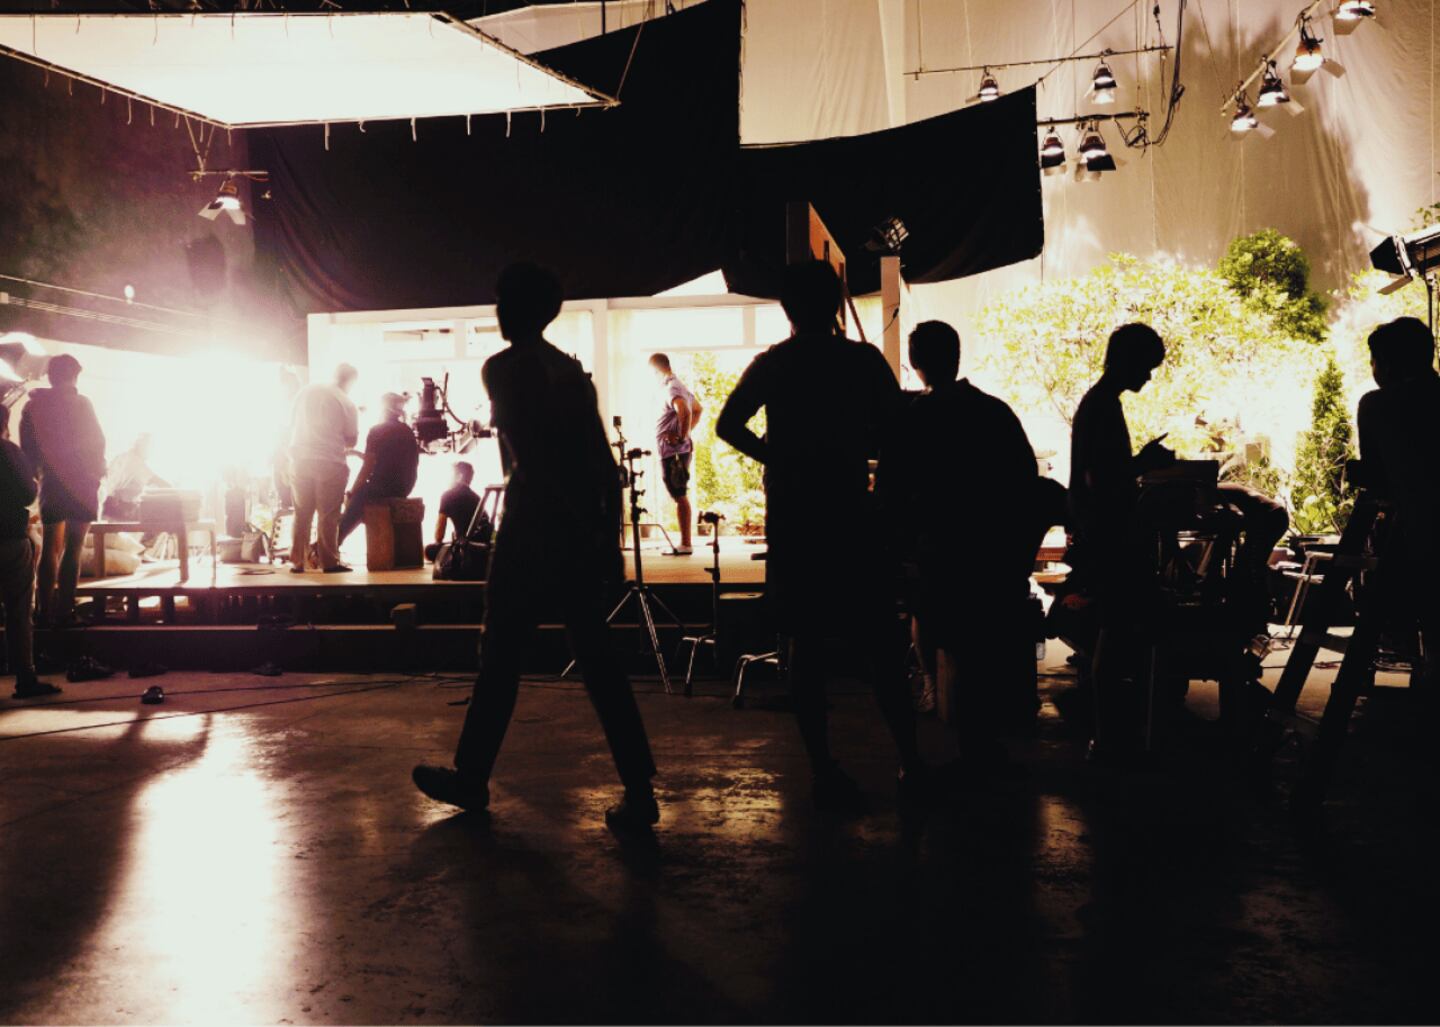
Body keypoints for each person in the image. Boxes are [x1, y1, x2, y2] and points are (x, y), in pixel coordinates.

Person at [412, 263, 659, 832]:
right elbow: (601, 463)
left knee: (500, 656)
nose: (498, 311)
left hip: (531, 528)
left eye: (504, 302)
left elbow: (533, 459)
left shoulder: (503, 369)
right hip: (576, 531)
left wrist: (546, 519)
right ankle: (639, 789)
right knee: (598, 662)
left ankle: (472, 778)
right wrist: (607, 538)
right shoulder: (570, 372)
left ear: (521, 308)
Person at [716, 260, 928, 813]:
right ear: (835, 304)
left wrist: (779, 457)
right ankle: (911, 760)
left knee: (805, 645)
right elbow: (898, 433)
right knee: (880, 642)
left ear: (787, 308)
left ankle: (822, 768)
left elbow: (728, 425)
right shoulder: (861, 360)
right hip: (851, 512)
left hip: (796, 517)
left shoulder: (775, 363)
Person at [891, 321, 1039, 760]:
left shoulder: (913, 418)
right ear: (957, 356)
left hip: (936, 545)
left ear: (915, 363)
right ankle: (980, 737)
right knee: (980, 642)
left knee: (931, 619)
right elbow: (1025, 477)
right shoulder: (994, 411)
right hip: (988, 545)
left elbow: (895, 487)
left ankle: (936, 694)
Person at [1068, 323, 1175, 760]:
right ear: (1126, 361)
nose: (1147, 376)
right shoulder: (1102, 407)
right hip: (1108, 535)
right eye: (1146, 367)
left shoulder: (1099, 402)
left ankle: (1110, 733)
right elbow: (1101, 479)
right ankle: (1108, 737)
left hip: (1101, 531)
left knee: (1114, 632)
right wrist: (1144, 463)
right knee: (1114, 634)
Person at [1356, 316, 1440, 696]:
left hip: (1419, 531)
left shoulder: (1378, 405)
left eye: (1374, 361)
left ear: (1387, 365)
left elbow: (1375, 477)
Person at [19, 353, 105, 626]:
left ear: (51, 376)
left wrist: (38, 475)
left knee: (49, 549)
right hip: (82, 484)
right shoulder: (82, 404)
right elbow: (97, 443)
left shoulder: (32, 407)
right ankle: (65, 611)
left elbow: (27, 449)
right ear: (75, 374)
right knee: (73, 548)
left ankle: (43, 611)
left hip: (51, 484)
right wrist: (95, 473)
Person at [0, 406, 56, 698]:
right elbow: (28, 493)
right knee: (19, 611)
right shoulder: (10, 451)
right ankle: (25, 677)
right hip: (10, 537)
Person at [288, 363, 359, 574]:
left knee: (302, 513)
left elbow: (290, 424)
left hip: (300, 459)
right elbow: (351, 440)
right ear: (351, 380)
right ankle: (329, 562)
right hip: (330, 463)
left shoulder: (305, 391)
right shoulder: (346, 402)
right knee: (328, 515)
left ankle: (297, 561)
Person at [339, 392, 420, 544]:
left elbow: (368, 467)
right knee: (362, 496)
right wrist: (359, 454)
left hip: (384, 487)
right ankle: (335, 540)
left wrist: (352, 492)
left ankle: (332, 542)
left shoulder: (377, 430)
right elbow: (391, 458)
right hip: (405, 487)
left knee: (358, 498)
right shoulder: (407, 430)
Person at [648, 353, 702, 555]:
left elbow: (686, 411)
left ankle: (686, 544)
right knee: (679, 493)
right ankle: (686, 543)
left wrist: (681, 437)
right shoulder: (677, 385)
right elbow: (698, 409)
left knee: (679, 494)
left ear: (655, 370)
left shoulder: (672, 387)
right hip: (674, 450)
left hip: (674, 452)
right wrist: (684, 434)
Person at [426, 460, 482, 562]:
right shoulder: (477, 497)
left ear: (459, 476)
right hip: (481, 548)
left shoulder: (448, 495)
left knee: (429, 550)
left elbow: (439, 535)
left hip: (464, 549)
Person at [102, 433, 166, 521]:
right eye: (150, 447)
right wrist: (176, 491)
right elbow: (157, 481)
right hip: (121, 510)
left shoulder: (121, 457)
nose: (151, 451)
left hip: (106, 507)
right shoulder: (136, 463)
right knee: (158, 516)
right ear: (144, 446)